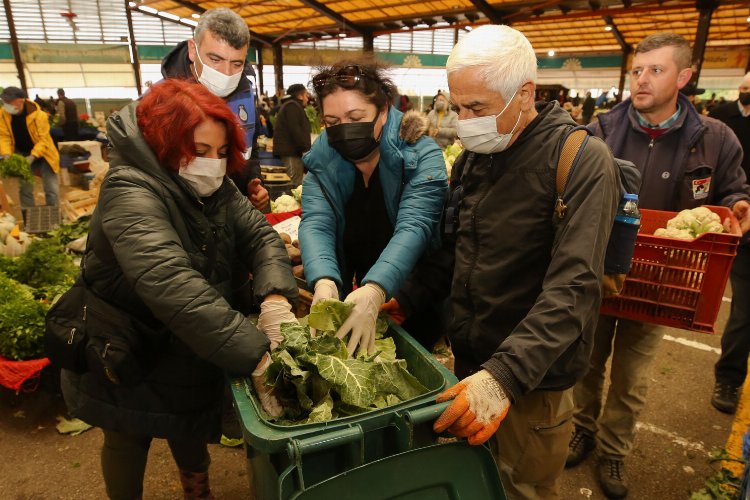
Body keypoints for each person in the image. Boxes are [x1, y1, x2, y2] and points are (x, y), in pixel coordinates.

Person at [60, 79, 298, 500]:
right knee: (126, 434)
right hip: (125, 339)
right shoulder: (129, 190)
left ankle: (197, 490)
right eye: (200, 151)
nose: (213, 164)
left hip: (186, 337)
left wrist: (276, 299)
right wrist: (256, 354)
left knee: (185, 420)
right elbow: (172, 283)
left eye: (222, 153)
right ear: (165, 141)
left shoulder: (217, 187)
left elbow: (261, 238)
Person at [568, 33, 750, 499]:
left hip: (664, 280)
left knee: (633, 375)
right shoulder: (602, 130)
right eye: (637, 70)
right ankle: (582, 429)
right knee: (587, 362)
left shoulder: (714, 139)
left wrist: (739, 205)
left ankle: (612, 450)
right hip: (603, 271)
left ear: (684, 77)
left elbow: (732, 190)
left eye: (656, 70)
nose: (642, 80)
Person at [299, 60, 448, 357]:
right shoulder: (322, 163)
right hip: (360, 296)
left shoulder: (420, 156)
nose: (344, 129)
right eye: (332, 122)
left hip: (414, 296)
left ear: (382, 111)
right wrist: (325, 280)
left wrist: (377, 289)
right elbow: (316, 222)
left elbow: (415, 226)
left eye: (355, 116)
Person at [161, 7, 269, 211]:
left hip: (232, 214)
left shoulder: (244, 95)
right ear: (193, 50)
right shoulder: (163, 102)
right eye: (215, 59)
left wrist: (251, 182)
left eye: (237, 63)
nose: (226, 73)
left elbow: (248, 151)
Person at [709, 72, 750, 413]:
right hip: (743, 220)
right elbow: (727, 176)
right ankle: (730, 377)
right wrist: (736, 199)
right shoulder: (722, 121)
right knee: (744, 312)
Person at [0, 86, 60, 208]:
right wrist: (6, 153)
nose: (6, 104)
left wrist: (32, 157)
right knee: (25, 188)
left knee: (51, 188)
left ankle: (54, 215)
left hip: (44, 154)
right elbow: (3, 135)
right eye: (4, 101)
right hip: (22, 154)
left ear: (20, 101)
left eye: (9, 102)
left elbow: (44, 140)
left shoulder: (39, 116)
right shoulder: (3, 115)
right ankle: (29, 216)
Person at [273, 83, 311, 186]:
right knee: (293, 185)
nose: (307, 99)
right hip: (291, 153)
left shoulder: (292, 106)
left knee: (295, 183)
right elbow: (295, 130)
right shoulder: (292, 106)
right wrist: (305, 149)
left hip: (293, 152)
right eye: (306, 95)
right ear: (300, 96)